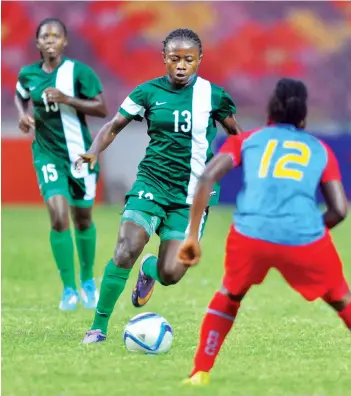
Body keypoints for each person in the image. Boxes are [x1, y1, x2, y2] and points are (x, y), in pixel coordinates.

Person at [177, 78, 351, 387]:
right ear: (303, 117)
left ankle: (200, 372)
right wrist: (310, 231)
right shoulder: (319, 149)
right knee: (341, 298)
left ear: (270, 112)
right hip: (304, 238)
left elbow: (206, 178)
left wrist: (191, 236)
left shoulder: (247, 140)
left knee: (230, 294)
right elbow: (340, 209)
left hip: (250, 234)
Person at [77, 28, 242, 343]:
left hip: (191, 196)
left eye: (188, 59)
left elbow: (238, 134)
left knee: (171, 274)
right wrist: (93, 152)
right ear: (164, 59)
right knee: (126, 248)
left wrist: (249, 159)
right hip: (151, 183)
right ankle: (98, 327)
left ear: (199, 60)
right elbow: (113, 125)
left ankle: (150, 270)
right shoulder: (146, 92)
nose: (181, 65)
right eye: (174, 58)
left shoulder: (214, 95)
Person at [14, 18, 108, 311]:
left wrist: (67, 98)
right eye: (45, 36)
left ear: (64, 41)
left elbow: (102, 107)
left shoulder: (78, 72)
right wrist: (24, 115)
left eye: (56, 35)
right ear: (38, 42)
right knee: (58, 216)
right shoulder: (28, 74)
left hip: (80, 156)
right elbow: (20, 95)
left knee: (82, 219)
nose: (51, 39)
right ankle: (69, 289)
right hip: (47, 154)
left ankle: (88, 281)